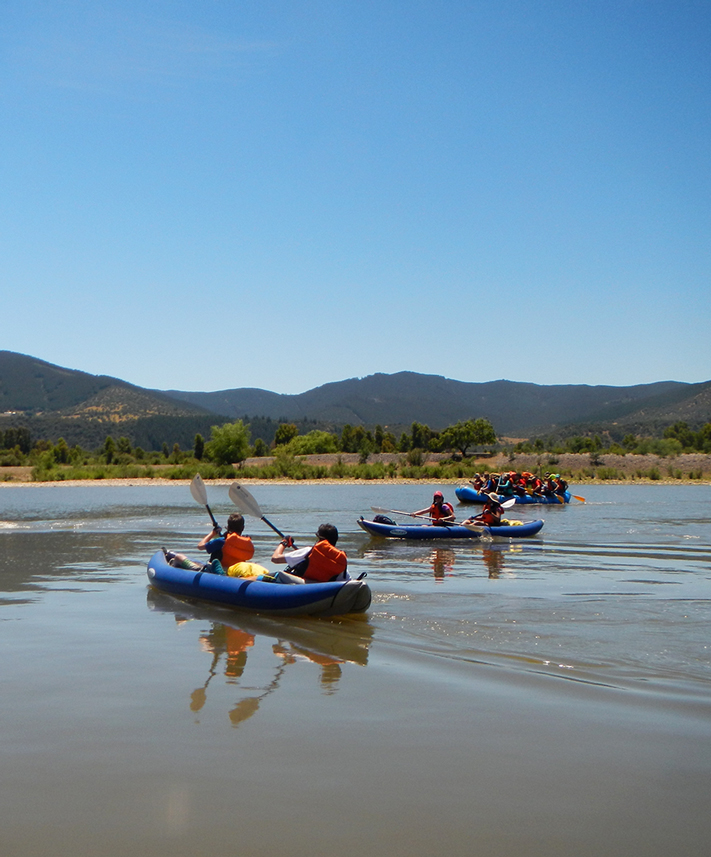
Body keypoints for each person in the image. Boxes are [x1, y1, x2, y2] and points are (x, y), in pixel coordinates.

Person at [166, 513, 270, 579]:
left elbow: (200, 546)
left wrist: (212, 533)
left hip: (214, 571)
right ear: (243, 528)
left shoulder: (221, 541)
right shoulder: (246, 542)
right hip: (236, 572)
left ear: (228, 526)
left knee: (178, 557)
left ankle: (173, 571)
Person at [270, 523, 349, 582]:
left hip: (300, 588)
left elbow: (275, 558)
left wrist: (284, 542)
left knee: (272, 576)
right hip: (323, 593)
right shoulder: (340, 560)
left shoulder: (308, 551)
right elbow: (348, 582)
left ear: (320, 539)